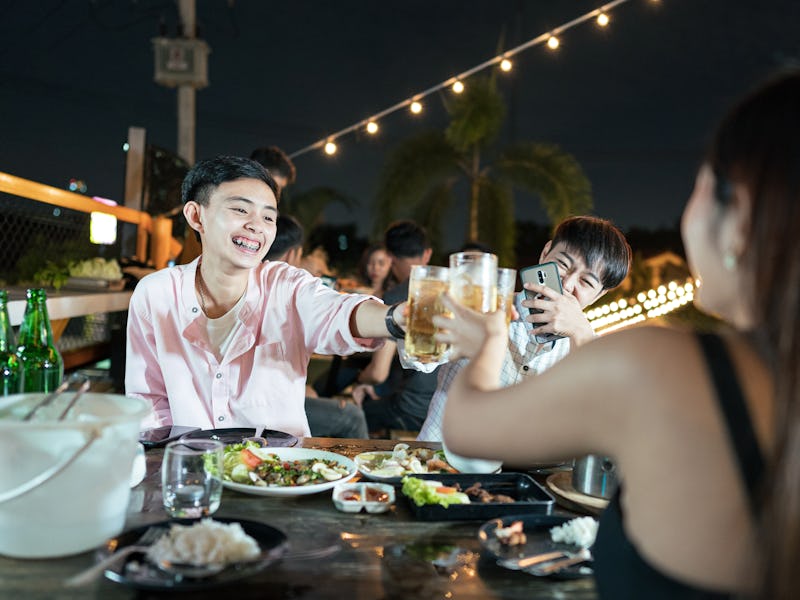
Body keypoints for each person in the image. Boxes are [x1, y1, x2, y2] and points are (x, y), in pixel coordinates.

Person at [439, 71, 800, 598]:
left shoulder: (660, 362)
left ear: (739, 216)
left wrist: (490, 340)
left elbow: (468, 430)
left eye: (701, 180)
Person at [125, 155, 408, 437]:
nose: (257, 225)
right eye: (241, 210)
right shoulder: (156, 293)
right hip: (194, 460)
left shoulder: (286, 286)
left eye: (268, 217)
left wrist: (394, 318)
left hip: (280, 463)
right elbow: (148, 401)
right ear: (196, 216)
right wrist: (167, 457)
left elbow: (337, 311)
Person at [417, 216, 632, 441]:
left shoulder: (592, 348)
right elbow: (419, 357)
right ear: (545, 254)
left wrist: (581, 333)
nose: (567, 285)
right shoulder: (482, 306)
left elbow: (600, 422)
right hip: (437, 456)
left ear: (599, 295)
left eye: (586, 282)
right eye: (563, 265)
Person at [266, 213, 368, 438]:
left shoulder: (239, 284)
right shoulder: (291, 292)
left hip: (269, 400)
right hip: (270, 410)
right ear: (294, 253)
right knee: (352, 417)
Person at [351, 220, 439, 434]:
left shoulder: (397, 297)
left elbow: (378, 373)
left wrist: (359, 380)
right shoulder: (447, 289)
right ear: (427, 254)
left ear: (390, 257)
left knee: (350, 415)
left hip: (412, 410)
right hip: (446, 407)